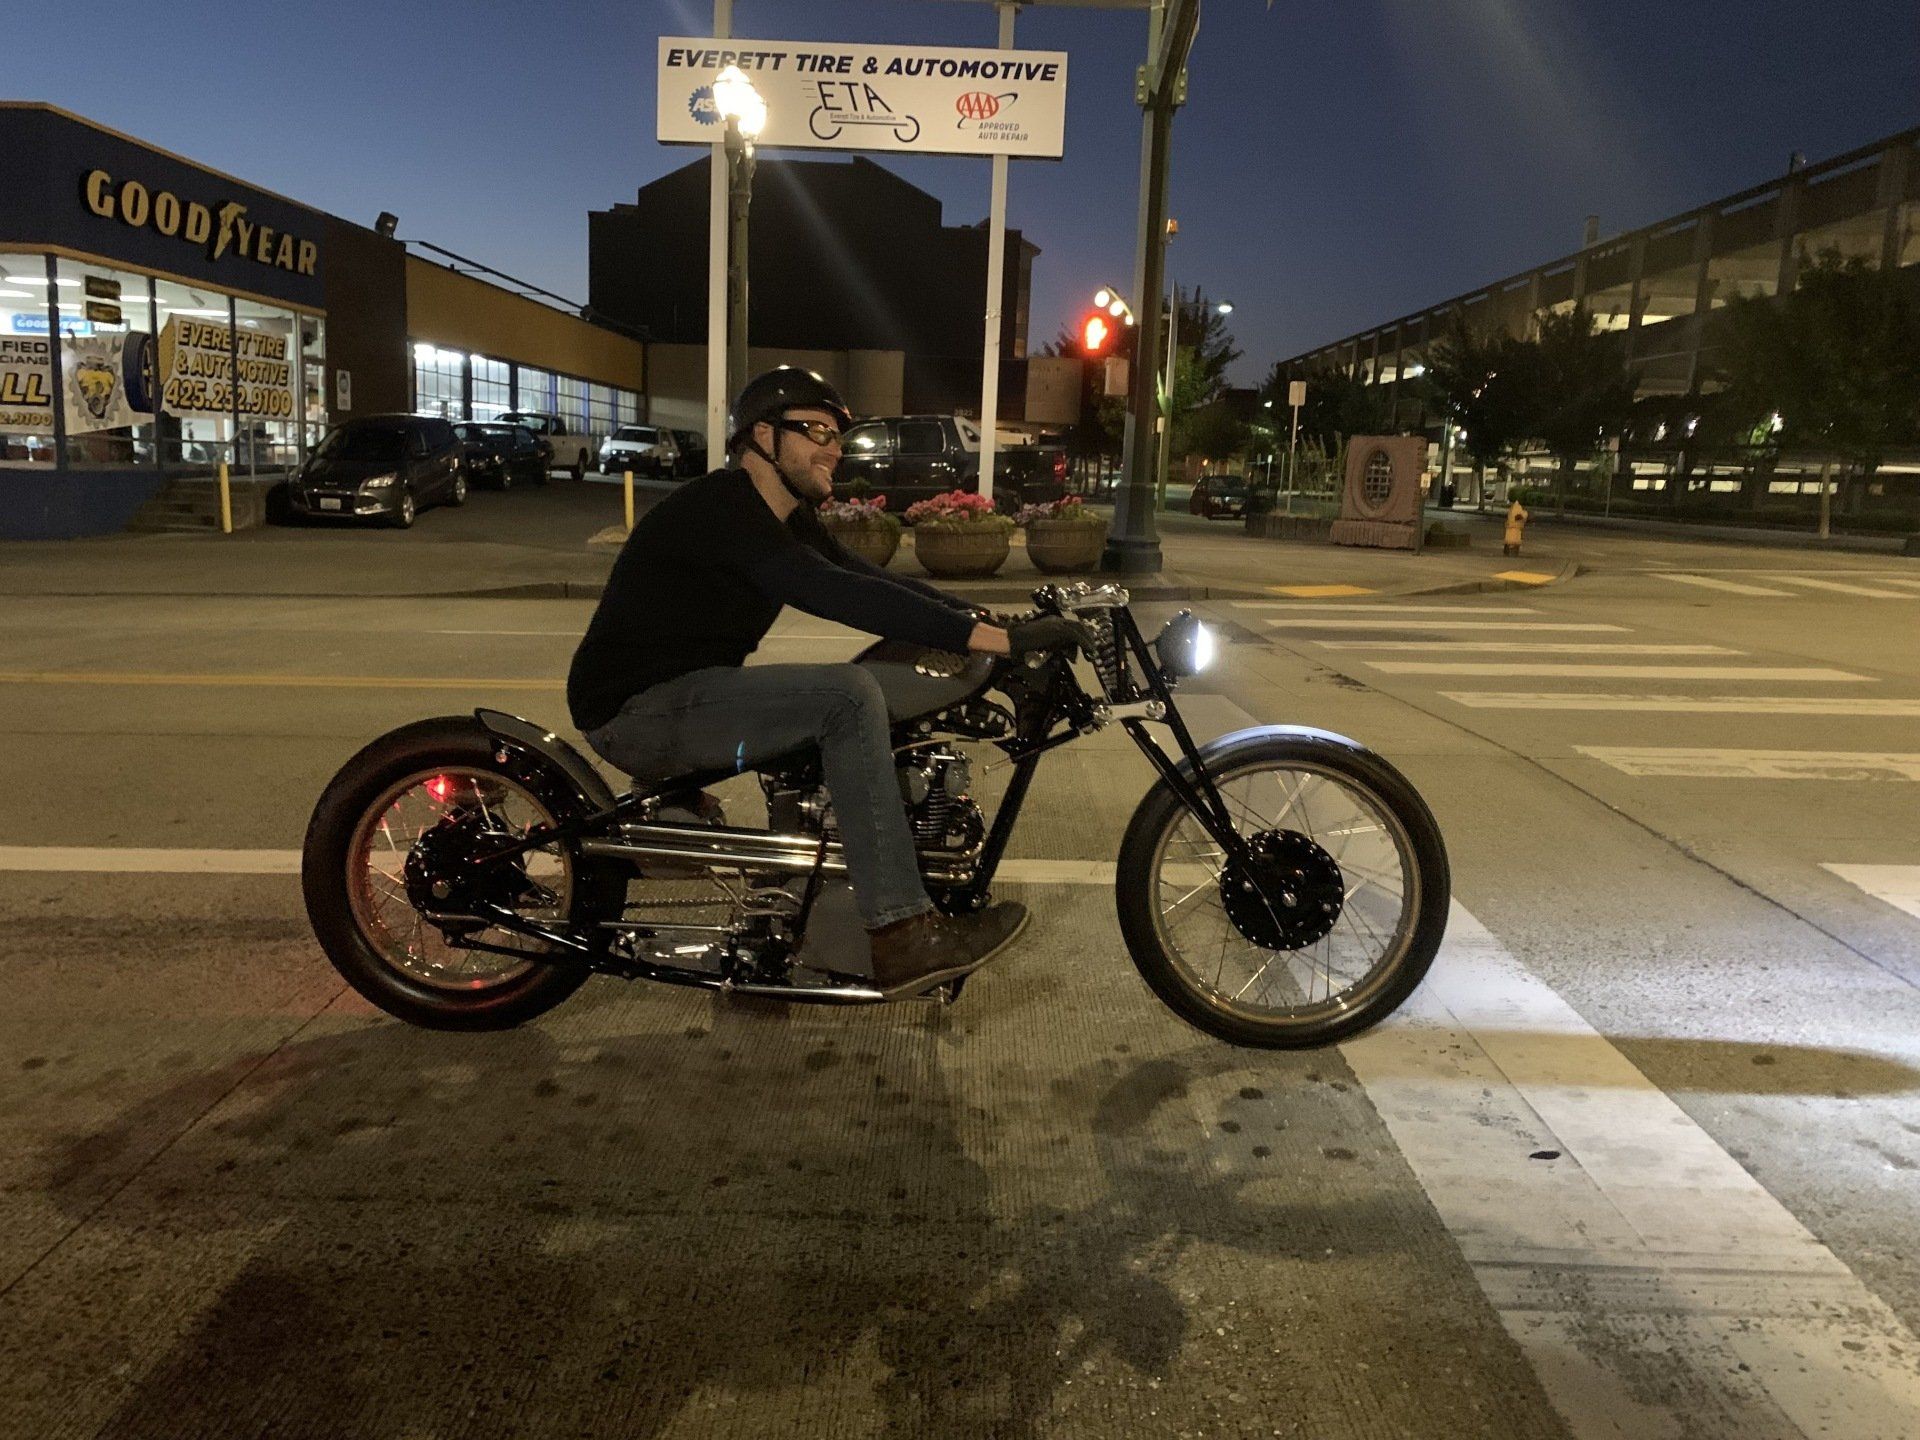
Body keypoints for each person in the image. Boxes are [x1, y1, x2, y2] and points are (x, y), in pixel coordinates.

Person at [568, 367, 1093, 998]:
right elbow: (828, 590)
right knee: (847, 696)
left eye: (838, 436)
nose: (834, 449)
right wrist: (996, 641)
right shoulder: (726, 505)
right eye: (815, 429)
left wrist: (984, 620)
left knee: (848, 699)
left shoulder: (786, 517)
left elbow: (871, 580)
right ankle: (902, 933)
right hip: (636, 711)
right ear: (762, 434)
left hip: (687, 691)